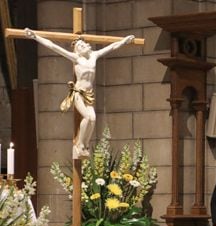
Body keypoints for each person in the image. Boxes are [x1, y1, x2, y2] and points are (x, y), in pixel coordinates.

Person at [24, 28, 135, 159]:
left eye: (83, 44)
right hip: (78, 93)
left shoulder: (94, 55)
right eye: (80, 46)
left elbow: (112, 47)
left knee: (93, 119)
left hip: (89, 94)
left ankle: (85, 144)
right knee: (87, 117)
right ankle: (79, 144)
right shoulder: (76, 58)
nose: (83, 46)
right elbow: (53, 46)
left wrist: (125, 41)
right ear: (77, 50)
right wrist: (35, 36)